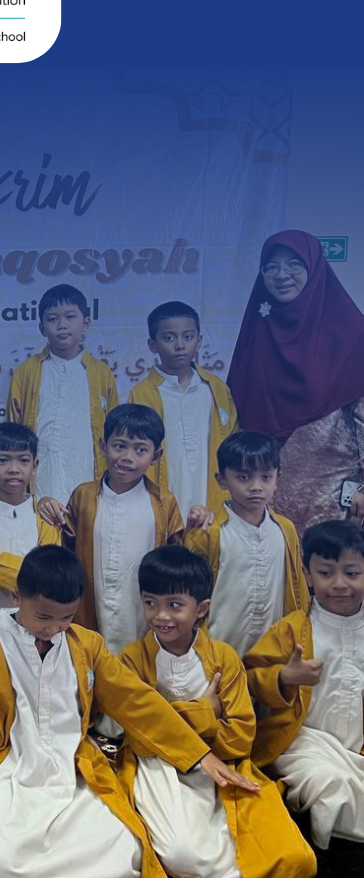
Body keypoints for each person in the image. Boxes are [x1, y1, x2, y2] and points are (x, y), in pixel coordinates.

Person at [0, 544, 260, 878]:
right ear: (17, 598)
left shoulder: (86, 645)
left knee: (124, 849)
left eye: (66, 617)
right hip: (6, 768)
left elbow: (138, 703)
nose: (53, 628)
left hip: (73, 771)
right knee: (0, 858)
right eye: (44, 616)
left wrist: (197, 754)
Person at [119, 546, 316, 878]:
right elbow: (139, 734)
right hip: (158, 766)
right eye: (150, 603)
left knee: (289, 855)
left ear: (201, 609)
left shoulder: (223, 657)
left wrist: (169, 717)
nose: (161, 616)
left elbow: (241, 737)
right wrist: (204, 712)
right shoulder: (132, 658)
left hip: (222, 761)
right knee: (181, 854)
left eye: (174, 605)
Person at [227, 229, 364, 532]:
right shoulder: (257, 332)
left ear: (314, 268)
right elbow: (237, 418)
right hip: (265, 495)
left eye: (294, 264)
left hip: (335, 498)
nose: (281, 275)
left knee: (329, 562)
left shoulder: (353, 334)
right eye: (271, 267)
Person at [245, 519, 364, 850]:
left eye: (352, 573)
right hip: (302, 742)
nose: (339, 584)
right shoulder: (293, 629)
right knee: (329, 785)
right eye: (326, 573)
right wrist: (284, 677)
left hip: (359, 745)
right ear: (308, 576)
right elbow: (250, 677)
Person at [64, 404, 185, 653]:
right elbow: (64, 551)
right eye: (119, 446)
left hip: (141, 611)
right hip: (90, 610)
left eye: (140, 450)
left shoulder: (164, 502)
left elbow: (178, 560)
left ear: (155, 456)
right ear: (103, 446)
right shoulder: (83, 496)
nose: (127, 457)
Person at [184, 431, 309, 656]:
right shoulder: (209, 531)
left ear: (277, 479)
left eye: (266, 477)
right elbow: (186, 591)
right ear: (222, 480)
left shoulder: (285, 529)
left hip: (271, 653)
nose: (256, 486)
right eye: (243, 477)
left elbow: (297, 587)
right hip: (217, 649)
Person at [5, 283, 118, 503]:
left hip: (86, 471)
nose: (62, 325)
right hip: (40, 475)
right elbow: (12, 431)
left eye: (70, 317)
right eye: (52, 319)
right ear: (42, 328)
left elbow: (114, 432)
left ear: (86, 323)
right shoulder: (27, 371)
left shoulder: (101, 373)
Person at [128, 301, 239, 518]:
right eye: (169, 338)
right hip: (162, 494)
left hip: (210, 492)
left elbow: (233, 443)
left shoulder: (215, 389)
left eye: (188, 337)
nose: (180, 345)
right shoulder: (142, 393)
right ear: (152, 344)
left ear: (199, 340)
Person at [0, 422, 62, 629]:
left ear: (34, 467)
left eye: (23, 460)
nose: (14, 469)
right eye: (3, 460)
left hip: (38, 630)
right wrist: (35, 576)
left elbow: (52, 574)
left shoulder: (46, 520)